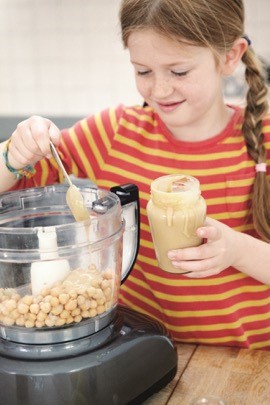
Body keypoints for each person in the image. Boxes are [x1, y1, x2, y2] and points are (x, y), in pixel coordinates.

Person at [0, 0, 270, 349]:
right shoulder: (114, 134)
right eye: (143, 72)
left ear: (230, 57)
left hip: (252, 367)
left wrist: (236, 250)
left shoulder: (263, 138)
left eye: (179, 72)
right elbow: (16, 175)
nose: (159, 90)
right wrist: (13, 153)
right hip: (144, 356)